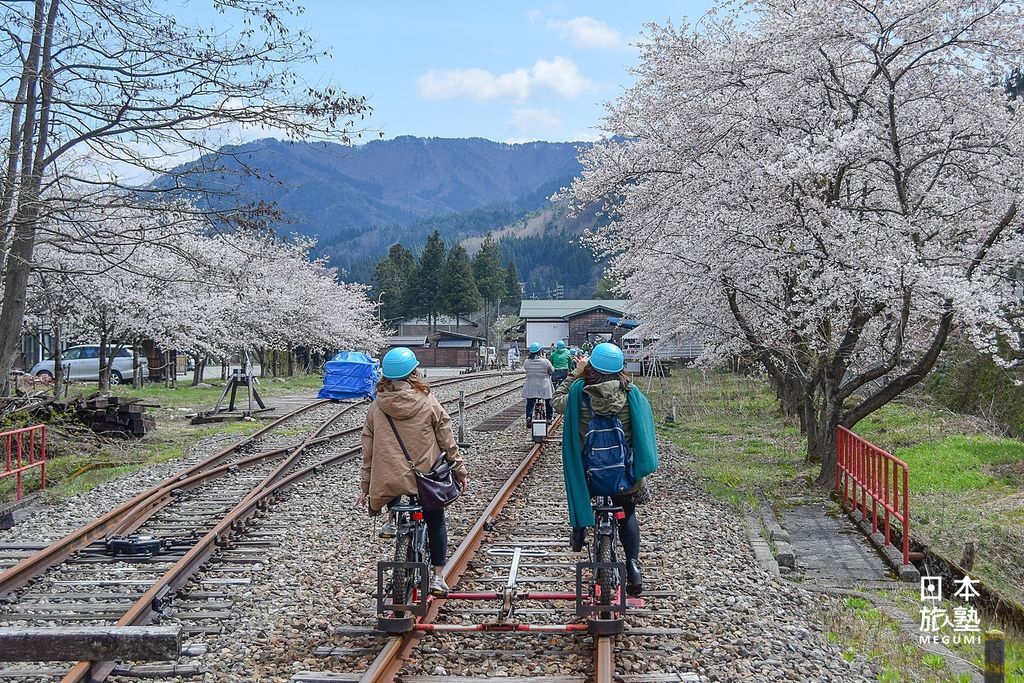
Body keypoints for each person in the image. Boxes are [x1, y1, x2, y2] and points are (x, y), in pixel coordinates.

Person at [358, 347, 469, 595]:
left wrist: (365, 488)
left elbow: (368, 452)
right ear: (414, 373)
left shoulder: (377, 407)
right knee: (436, 520)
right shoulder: (428, 401)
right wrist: (459, 471)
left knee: (393, 479)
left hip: (389, 481)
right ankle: (439, 576)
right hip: (426, 480)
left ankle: (391, 521)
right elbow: (447, 440)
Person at [553, 342, 658, 597]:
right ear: (620, 368)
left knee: (583, 497)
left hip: (588, 475)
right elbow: (644, 432)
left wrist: (575, 373)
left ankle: (579, 530)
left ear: (592, 366)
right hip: (623, 476)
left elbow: (556, 402)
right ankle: (632, 565)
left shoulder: (579, 392)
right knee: (627, 512)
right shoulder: (632, 394)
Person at [522, 341, 554, 425]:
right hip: (544, 386)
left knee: (530, 402)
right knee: (548, 401)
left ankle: (528, 416)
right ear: (540, 351)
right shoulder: (545, 361)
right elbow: (552, 370)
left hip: (530, 386)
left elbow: (526, 370)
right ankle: (549, 418)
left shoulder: (526, 362)